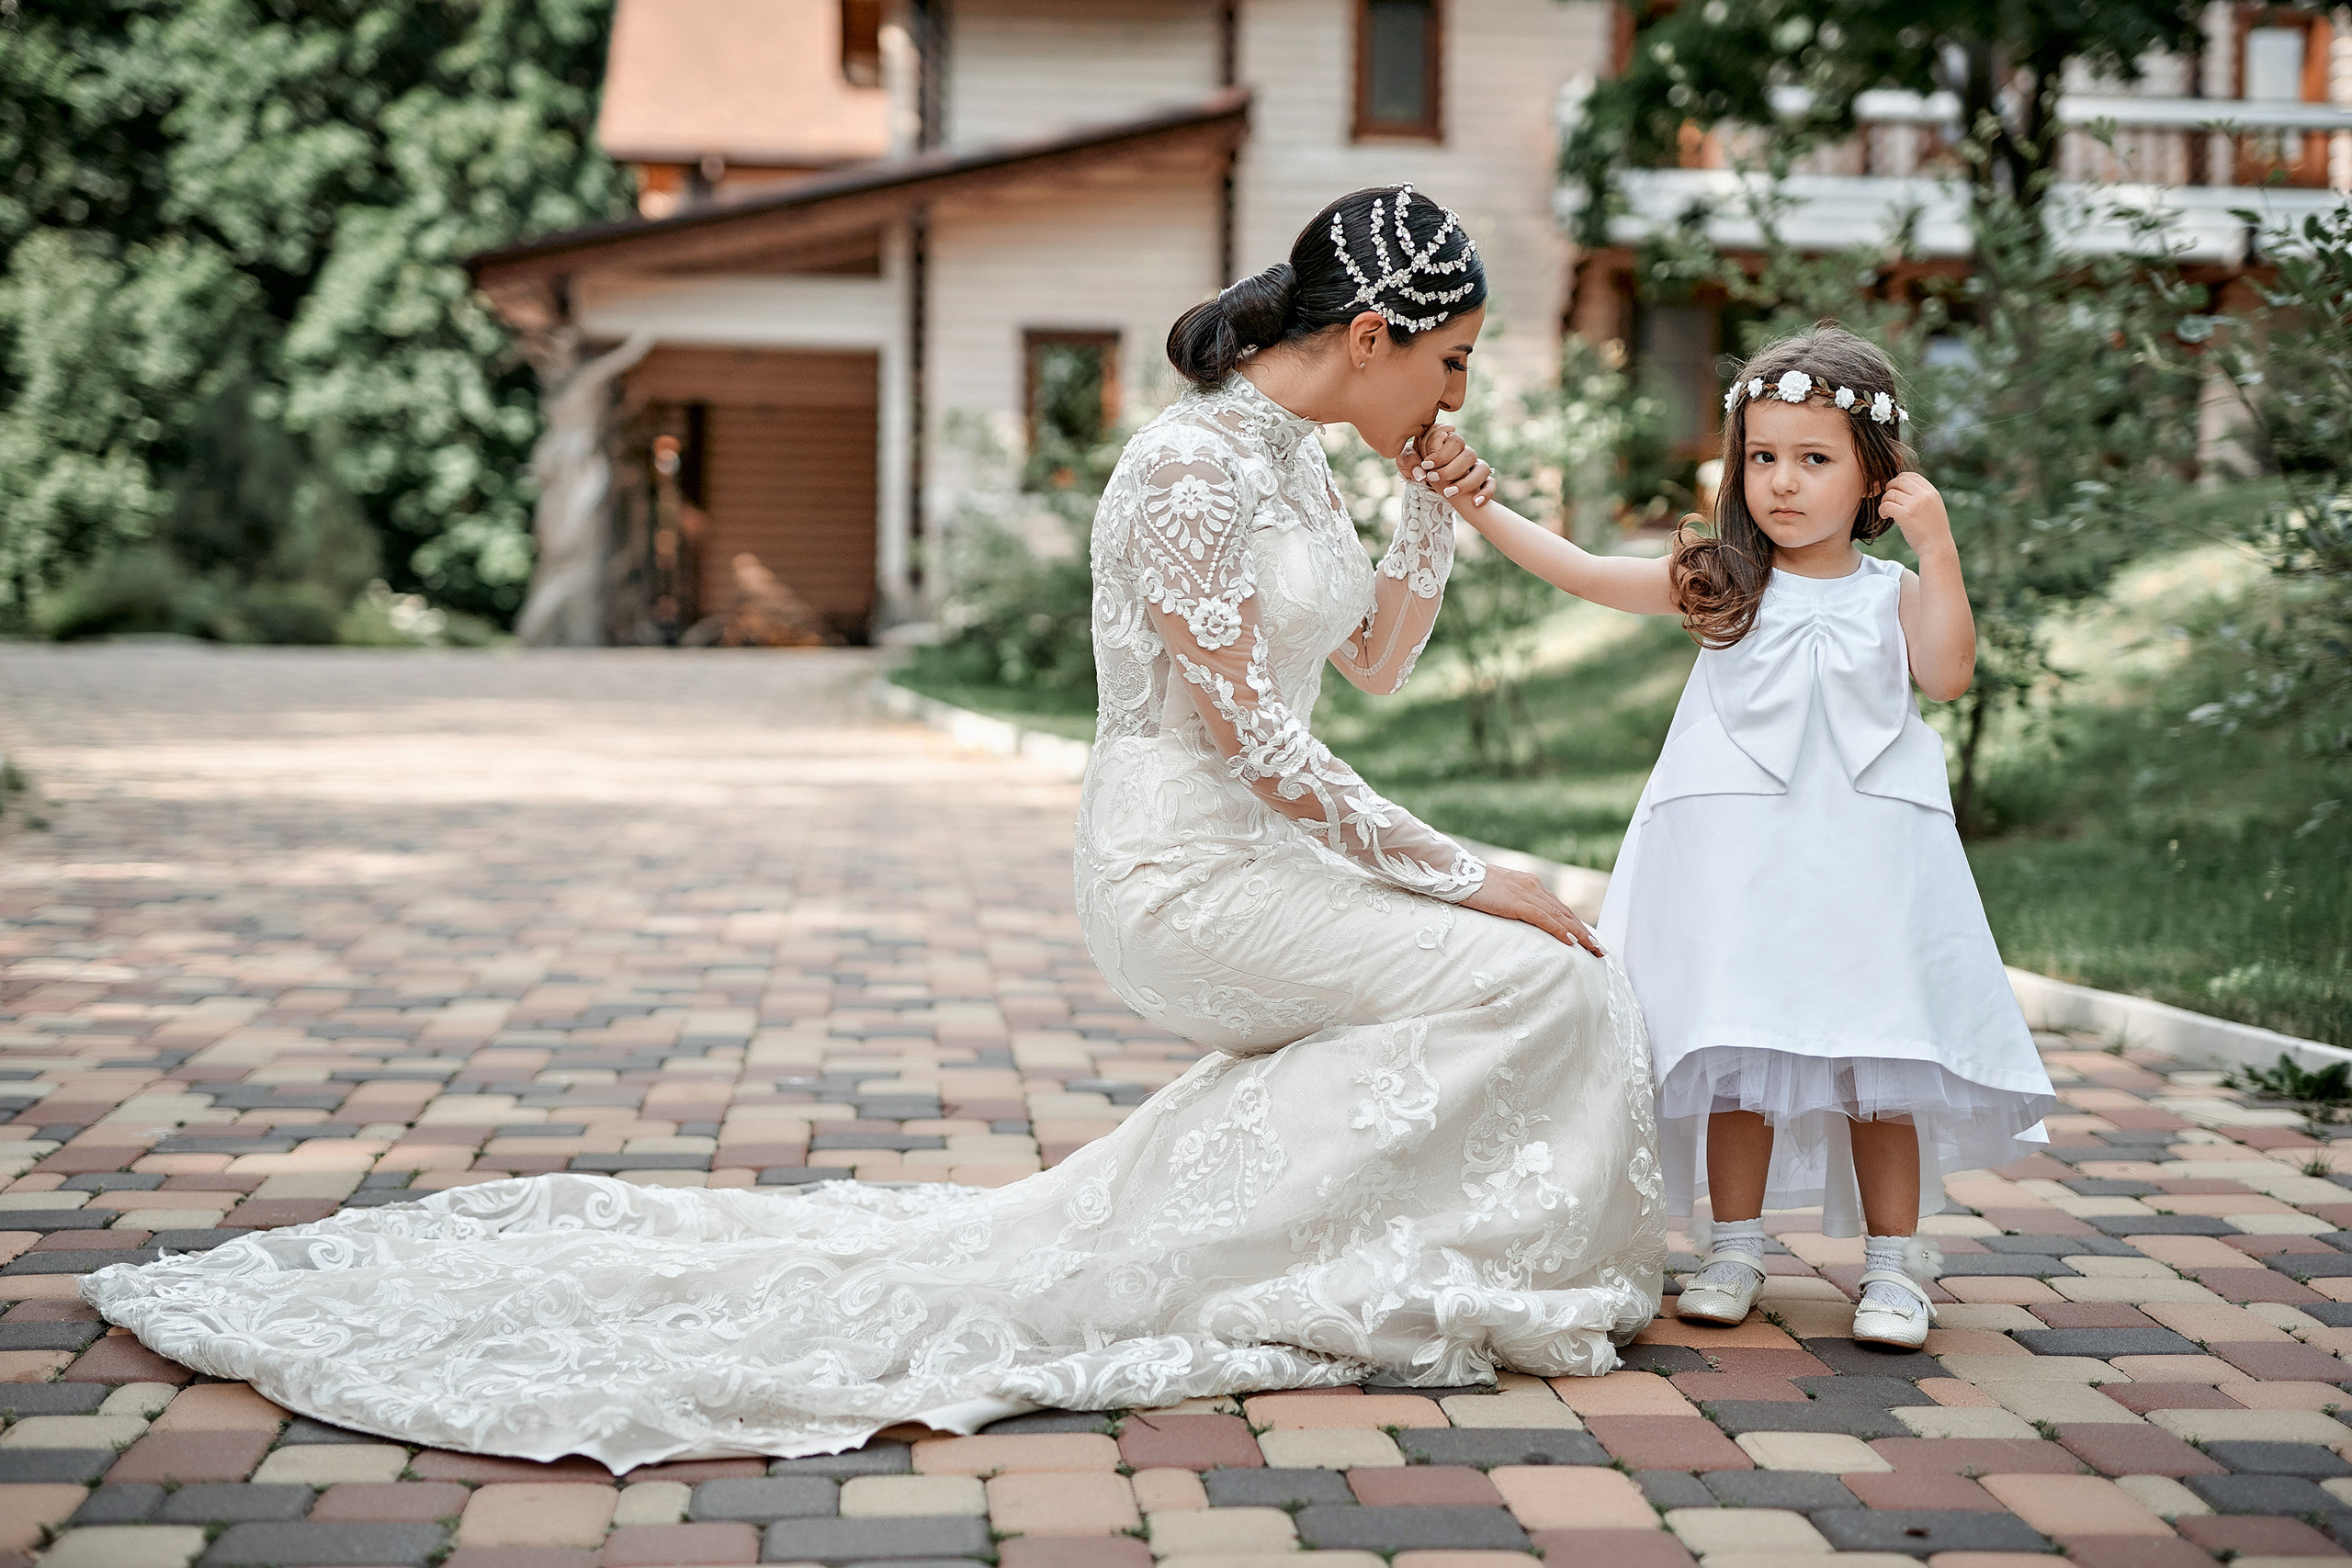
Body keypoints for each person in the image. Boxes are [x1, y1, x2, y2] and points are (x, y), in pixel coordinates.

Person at [80, 186, 1667, 1472]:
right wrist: (1478, 873)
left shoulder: (1308, 466)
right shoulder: (1187, 468)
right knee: (1530, 975)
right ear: (1374, 336)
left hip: (1276, 853)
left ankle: (1300, 1243)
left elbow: (1373, 663)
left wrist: (1430, 506)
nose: (1458, 392)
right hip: (1181, 869)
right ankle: (1334, 1258)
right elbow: (1253, 738)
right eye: (1451, 362)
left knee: (1552, 979)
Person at [1429, 323, 2053, 1348]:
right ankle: (1732, 1247)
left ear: (1876, 476)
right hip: (1740, 858)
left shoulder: (1891, 593)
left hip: (1863, 863)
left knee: (1880, 1054)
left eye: (1814, 459)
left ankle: (1894, 1267)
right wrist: (1476, 503)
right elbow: (1582, 571)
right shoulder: (1723, 580)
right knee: (1736, 1041)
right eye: (1762, 456)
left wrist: (1937, 548)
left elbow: (1945, 673)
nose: (1783, 482)